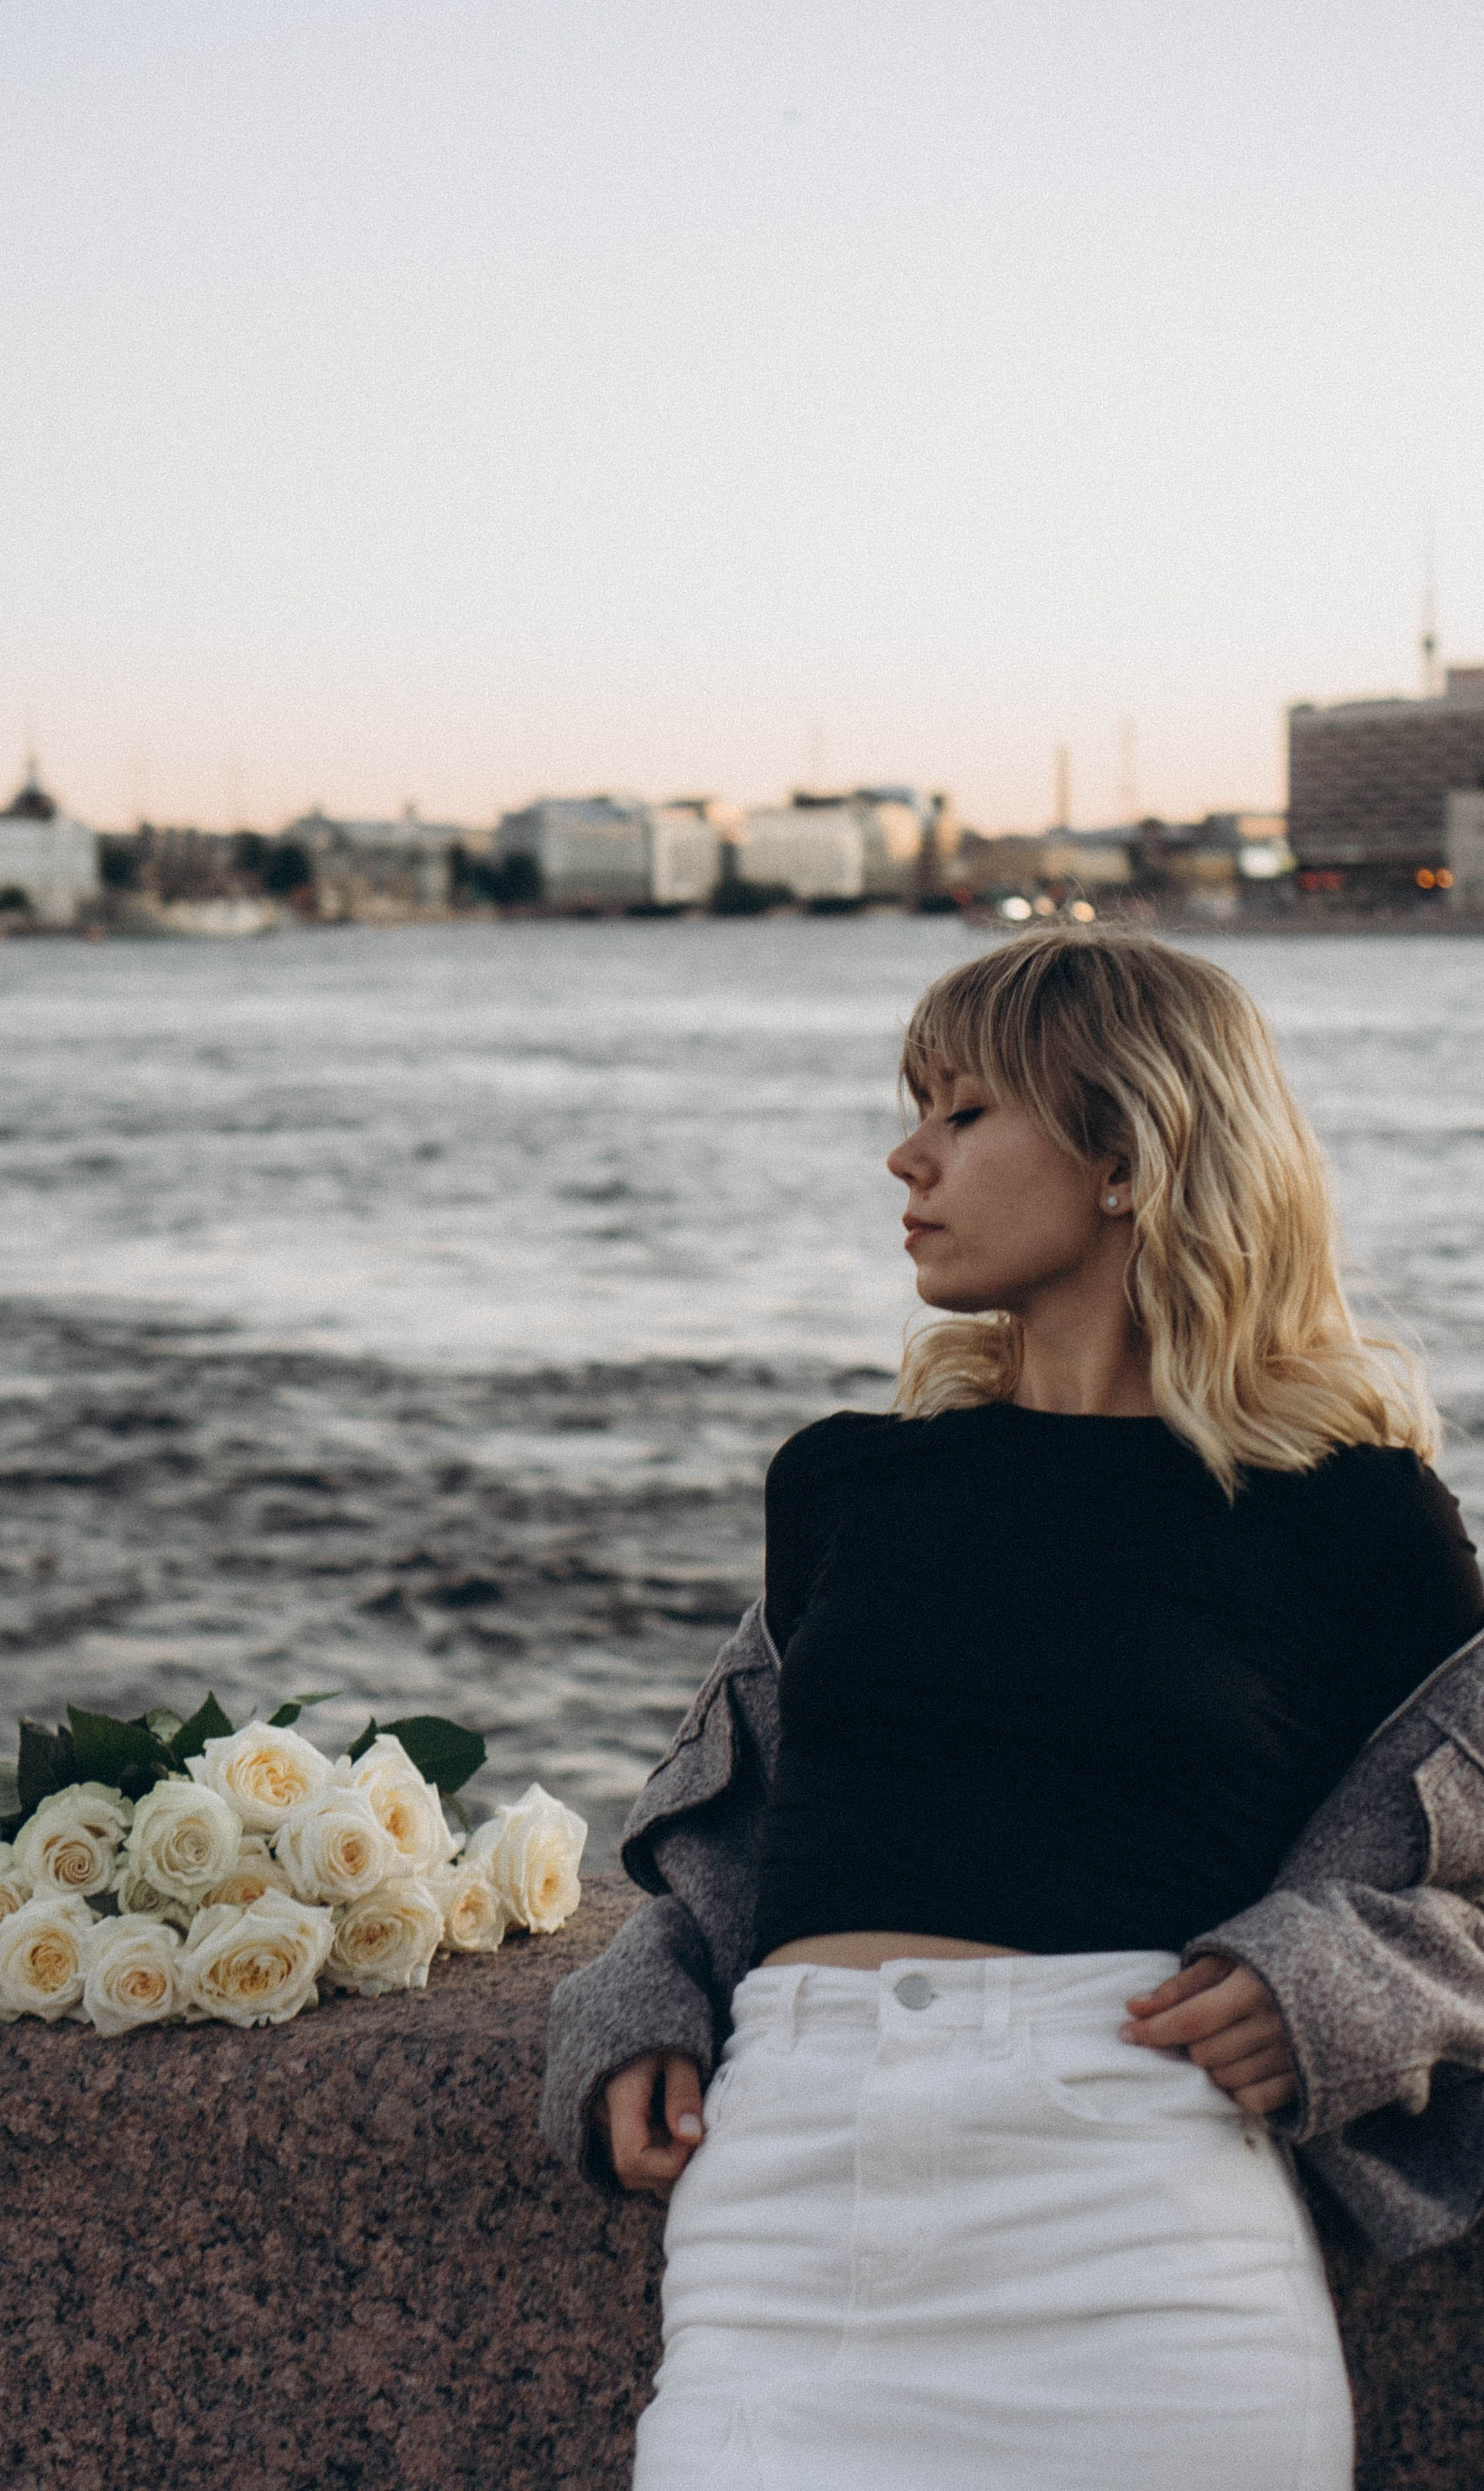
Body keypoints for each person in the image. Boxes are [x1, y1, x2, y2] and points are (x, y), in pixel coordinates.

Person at [542, 930, 1484, 2491]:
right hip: (791, 2213)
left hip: (1146, 2216)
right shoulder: (845, 1481)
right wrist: (638, 1992)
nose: (903, 1156)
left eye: (963, 1113)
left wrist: (1338, 1981)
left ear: (1127, 1154)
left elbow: (1462, 1876)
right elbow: (761, 1823)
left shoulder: (1353, 1519)